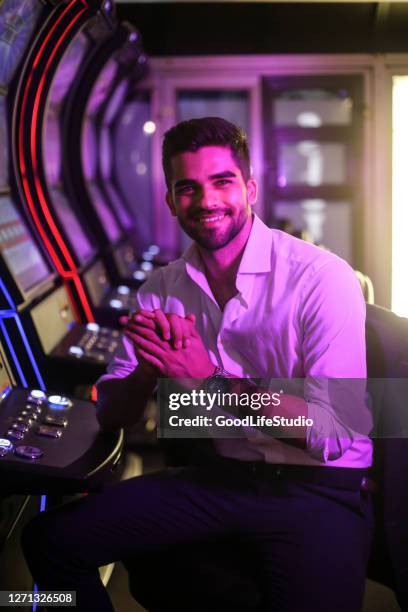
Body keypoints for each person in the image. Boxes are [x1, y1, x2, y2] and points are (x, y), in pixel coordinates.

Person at [22, 117, 374, 612]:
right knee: (49, 540)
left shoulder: (321, 278)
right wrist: (148, 370)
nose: (205, 201)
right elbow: (111, 414)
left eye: (222, 182)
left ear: (250, 188)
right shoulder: (163, 289)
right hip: (224, 477)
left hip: (315, 491)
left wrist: (208, 378)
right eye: (187, 188)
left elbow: (333, 434)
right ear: (170, 201)